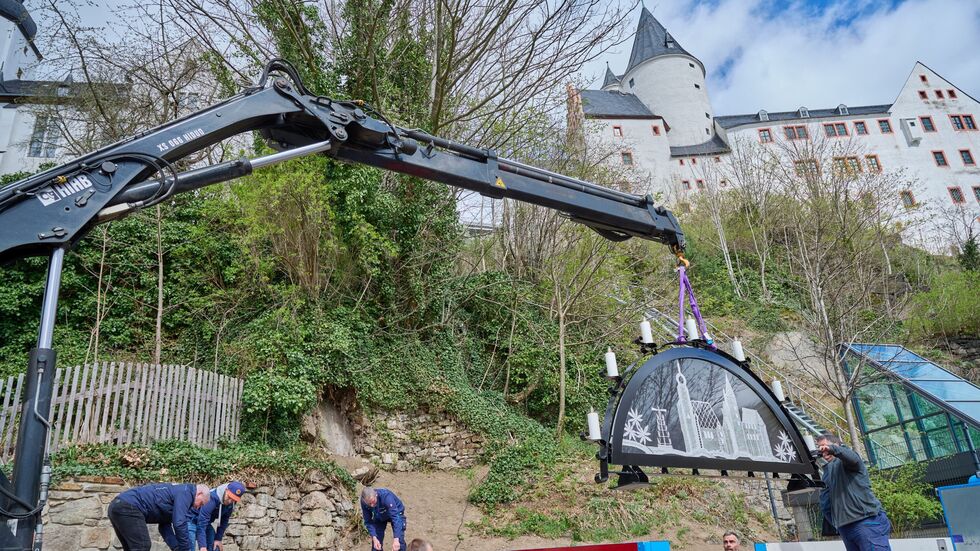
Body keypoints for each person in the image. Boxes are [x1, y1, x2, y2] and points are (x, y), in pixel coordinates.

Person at [817, 433, 892, 551]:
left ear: (837, 445)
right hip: (845, 527)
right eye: (821, 449)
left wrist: (832, 449)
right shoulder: (827, 471)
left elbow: (852, 458)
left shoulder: (848, 461)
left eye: (825, 447)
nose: (824, 452)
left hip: (866, 521)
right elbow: (826, 503)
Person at [108, 482, 210, 551]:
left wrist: (176, 548)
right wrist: (186, 549)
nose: (197, 508)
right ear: (199, 493)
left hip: (117, 506)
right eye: (201, 503)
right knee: (142, 546)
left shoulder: (176, 494)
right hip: (128, 507)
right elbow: (179, 523)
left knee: (132, 548)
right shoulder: (186, 492)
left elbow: (164, 526)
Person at [188, 481, 246, 551]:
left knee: (215, 547)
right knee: (189, 548)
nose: (230, 501)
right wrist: (202, 546)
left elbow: (224, 520)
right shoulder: (212, 498)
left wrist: (218, 539)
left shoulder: (231, 503)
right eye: (229, 497)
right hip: (191, 520)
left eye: (234, 499)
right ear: (226, 490)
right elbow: (201, 524)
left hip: (206, 523)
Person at [360, 486, 407, 551]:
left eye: (373, 501)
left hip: (396, 512)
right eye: (369, 503)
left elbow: (395, 518)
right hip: (379, 515)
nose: (371, 505)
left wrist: (396, 539)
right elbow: (368, 521)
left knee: (399, 543)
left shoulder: (386, 496)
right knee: (376, 546)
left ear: (376, 494)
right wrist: (374, 537)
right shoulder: (364, 502)